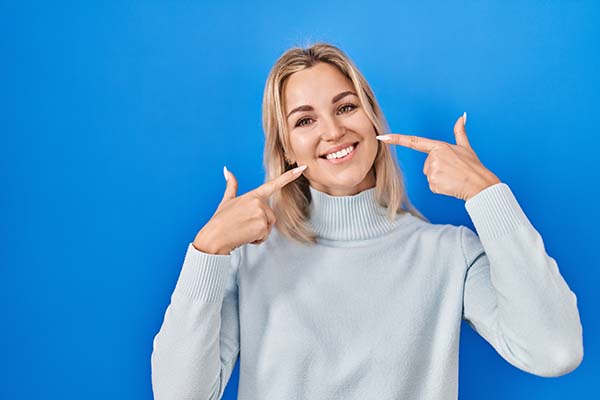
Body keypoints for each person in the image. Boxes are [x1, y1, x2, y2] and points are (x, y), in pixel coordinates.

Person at [150, 42, 584, 400]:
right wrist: (206, 254)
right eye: (305, 120)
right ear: (285, 149)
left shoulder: (449, 253)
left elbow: (556, 351)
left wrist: (487, 194)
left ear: (372, 117)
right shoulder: (249, 261)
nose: (333, 132)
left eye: (346, 107)